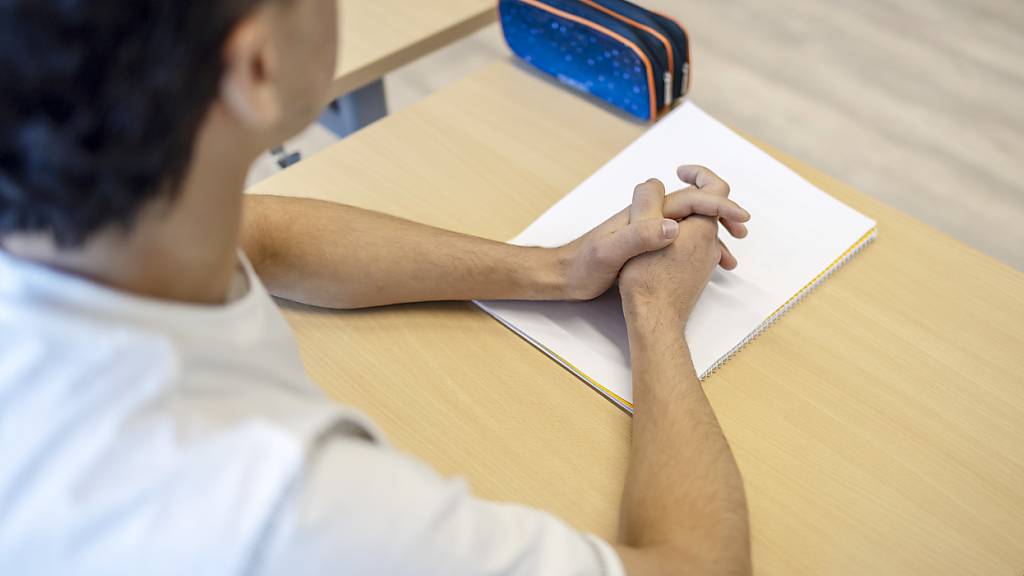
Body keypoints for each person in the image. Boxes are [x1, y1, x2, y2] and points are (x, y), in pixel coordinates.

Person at [0, 1, 753, 574]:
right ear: (257, 68)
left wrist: (555, 269)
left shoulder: (100, 228)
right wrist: (653, 309)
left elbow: (263, 236)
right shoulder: (288, 512)